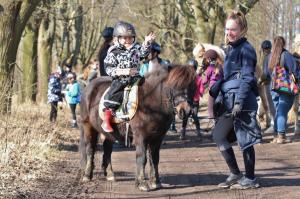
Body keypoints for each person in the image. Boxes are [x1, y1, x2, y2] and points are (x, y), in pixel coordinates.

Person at [212, 11, 261, 189]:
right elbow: (229, 76)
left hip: (243, 101)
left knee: (245, 139)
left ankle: (250, 178)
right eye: (227, 29)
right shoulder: (231, 49)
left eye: (233, 29)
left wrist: (239, 102)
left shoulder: (246, 49)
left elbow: (247, 78)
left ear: (242, 29)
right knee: (218, 135)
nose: (229, 32)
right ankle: (235, 173)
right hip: (228, 101)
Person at [101, 21, 155, 133]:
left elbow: (143, 54)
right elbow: (108, 69)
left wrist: (147, 42)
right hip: (121, 80)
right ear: (117, 39)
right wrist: (123, 71)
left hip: (136, 78)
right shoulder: (113, 52)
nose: (127, 41)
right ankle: (106, 119)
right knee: (114, 93)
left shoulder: (136, 49)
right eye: (124, 38)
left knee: (149, 88)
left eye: (130, 38)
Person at [265, 36, 298, 144]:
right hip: (285, 88)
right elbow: (294, 71)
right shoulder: (287, 55)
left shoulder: (269, 57)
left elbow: (267, 74)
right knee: (283, 112)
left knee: (278, 111)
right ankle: (281, 136)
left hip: (273, 88)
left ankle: (276, 135)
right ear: (283, 44)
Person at [179, 59, 204, 140]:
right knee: (185, 117)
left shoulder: (199, 78)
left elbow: (201, 89)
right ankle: (183, 133)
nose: (191, 70)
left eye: (192, 68)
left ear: (195, 68)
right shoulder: (186, 78)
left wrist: (201, 92)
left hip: (195, 101)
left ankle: (198, 133)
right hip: (187, 101)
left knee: (195, 116)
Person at [258, 40, 275, 131]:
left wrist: (259, 80)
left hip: (270, 83)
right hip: (279, 83)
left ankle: (273, 124)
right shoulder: (275, 56)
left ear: (263, 49)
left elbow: (265, 73)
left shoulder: (266, 58)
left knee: (271, 104)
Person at [201, 49, 223, 118]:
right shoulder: (221, 66)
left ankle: (213, 119)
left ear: (209, 59)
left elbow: (205, 81)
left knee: (210, 107)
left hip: (213, 90)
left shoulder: (210, 68)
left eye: (206, 59)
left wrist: (199, 82)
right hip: (221, 88)